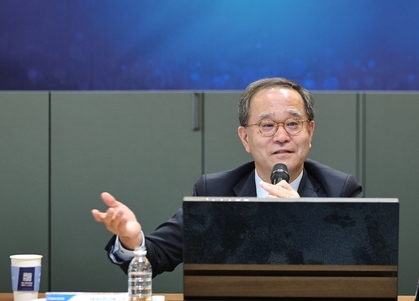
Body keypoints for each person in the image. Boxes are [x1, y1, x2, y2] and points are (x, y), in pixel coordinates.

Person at [91, 77, 363, 276]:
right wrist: (131, 239)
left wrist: (305, 220)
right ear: (245, 138)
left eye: (293, 123)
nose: (282, 136)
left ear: (310, 132)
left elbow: (362, 269)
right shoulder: (216, 191)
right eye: (267, 125)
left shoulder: (339, 191)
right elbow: (156, 258)